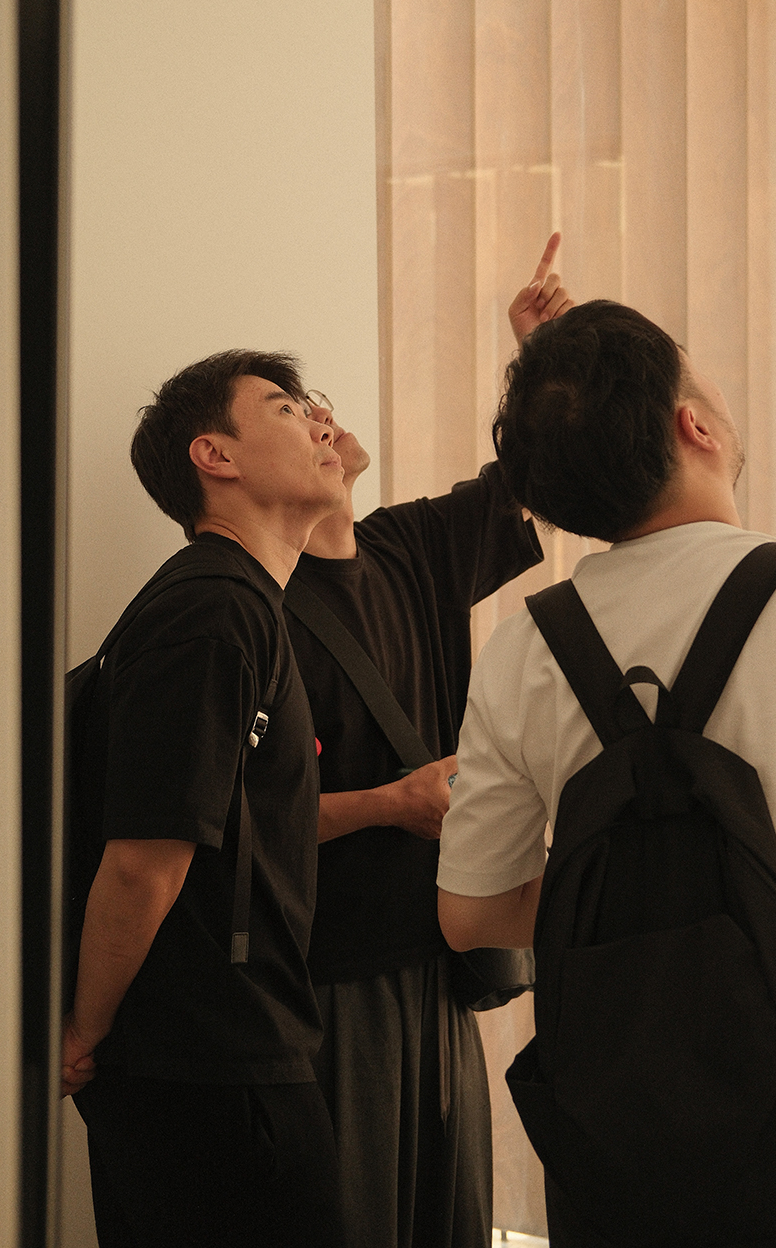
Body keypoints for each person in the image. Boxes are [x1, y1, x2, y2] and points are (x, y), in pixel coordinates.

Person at [437, 299, 776, 1248]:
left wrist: (640, 892)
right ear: (697, 425)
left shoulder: (524, 649)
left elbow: (472, 915)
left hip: (614, 1154)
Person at [282, 239, 572, 1248]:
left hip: (444, 960)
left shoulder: (406, 543)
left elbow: (533, 477)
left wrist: (540, 354)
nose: (321, 420)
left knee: (454, 1220)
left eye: (317, 403)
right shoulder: (242, 608)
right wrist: (390, 805)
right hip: (331, 977)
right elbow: (226, 820)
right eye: (291, 414)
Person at [62, 349, 347, 1248]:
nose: (320, 422)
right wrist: (83, 1031)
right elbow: (144, 861)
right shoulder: (212, 609)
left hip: (220, 1067)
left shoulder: (237, 605)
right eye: (285, 408)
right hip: (212, 1079)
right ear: (214, 456)